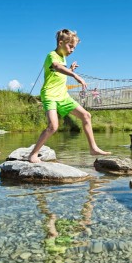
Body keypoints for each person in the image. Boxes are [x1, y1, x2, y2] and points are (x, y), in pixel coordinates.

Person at [28, 29, 111, 163]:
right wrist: (74, 75)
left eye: (74, 47)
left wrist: (71, 69)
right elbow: (56, 67)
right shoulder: (52, 55)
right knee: (53, 126)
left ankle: (93, 148)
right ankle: (33, 154)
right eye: (70, 46)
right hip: (50, 95)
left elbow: (59, 73)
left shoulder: (63, 58)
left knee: (86, 115)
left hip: (63, 95)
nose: (72, 50)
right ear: (61, 43)